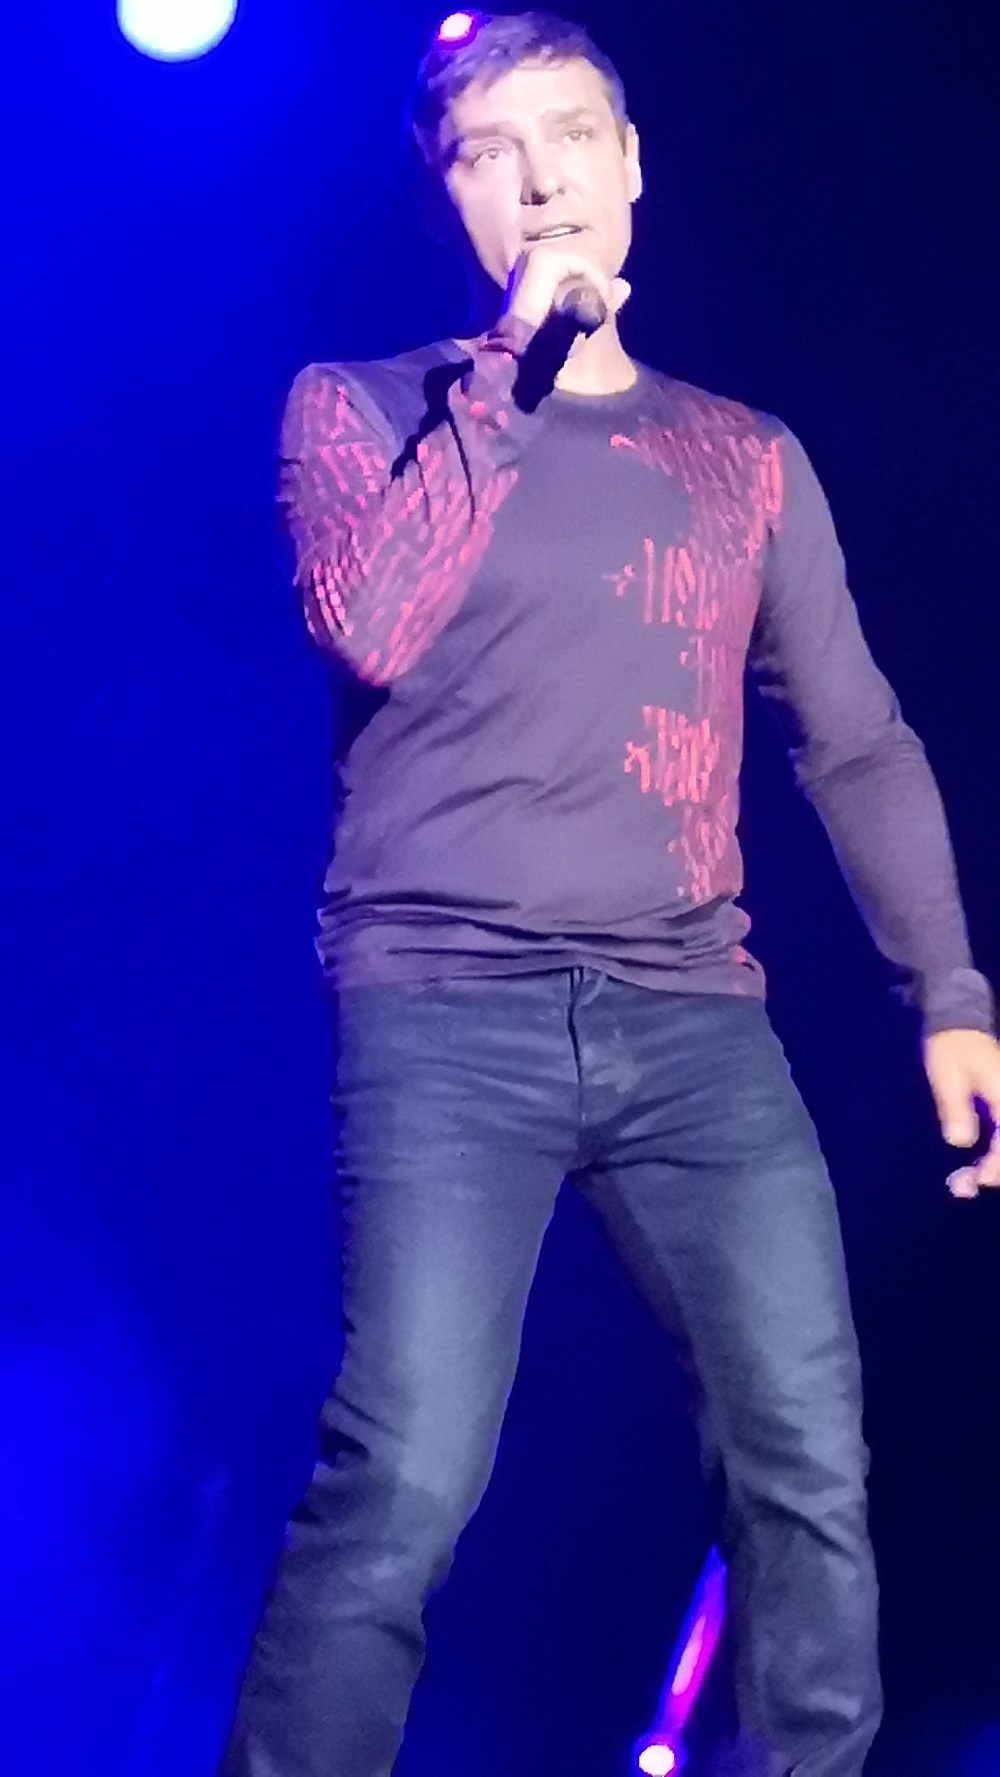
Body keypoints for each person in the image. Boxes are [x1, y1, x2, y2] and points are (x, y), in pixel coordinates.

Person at [220, 12, 1000, 1775]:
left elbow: (857, 740)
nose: (543, 176)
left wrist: (950, 992)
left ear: (634, 160)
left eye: (571, 133)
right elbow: (371, 623)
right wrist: (515, 359)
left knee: (806, 1454)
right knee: (407, 1468)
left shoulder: (744, 456)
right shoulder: (359, 408)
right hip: (446, 1005)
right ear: (451, 197)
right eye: (490, 151)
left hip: (692, 1018)